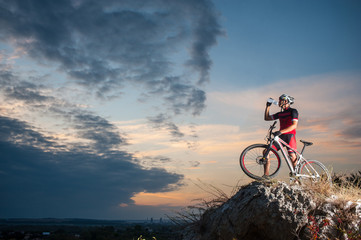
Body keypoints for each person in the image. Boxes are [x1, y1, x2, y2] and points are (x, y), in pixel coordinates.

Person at [264, 94, 299, 177]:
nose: (279, 102)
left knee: (292, 156)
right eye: (279, 100)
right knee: (266, 152)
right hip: (281, 136)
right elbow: (266, 118)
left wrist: (281, 131)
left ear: (286, 101)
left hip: (290, 136)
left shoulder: (293, 111)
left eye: (281, 100)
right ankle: (266, 175)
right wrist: (268, 106)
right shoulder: (280, 114)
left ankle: (297, 177)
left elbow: (294, 125)